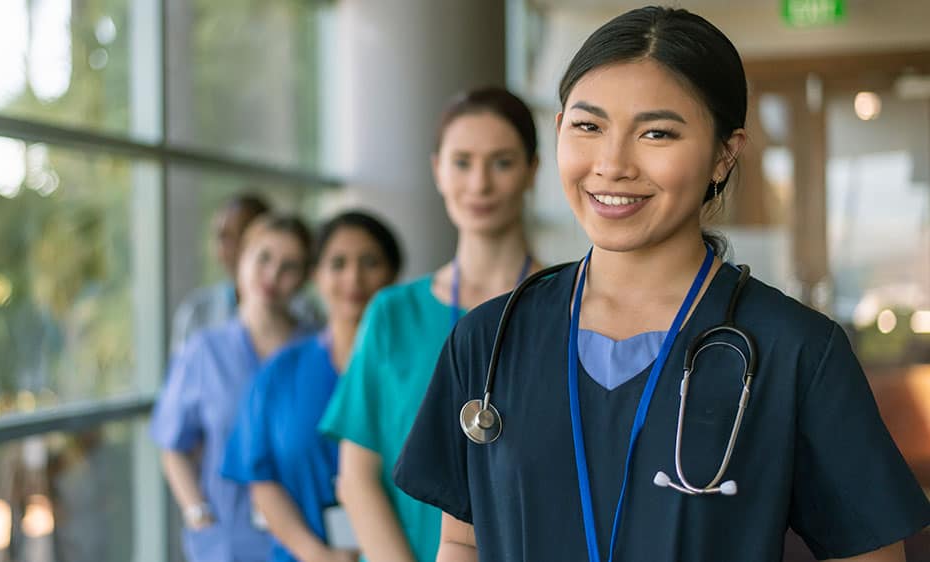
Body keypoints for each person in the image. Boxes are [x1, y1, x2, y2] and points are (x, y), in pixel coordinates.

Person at [393, 7, 930, 562]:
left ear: (724, 153)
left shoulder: (796, 351)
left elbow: (869, 553)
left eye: (656, 133)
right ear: (558, 131)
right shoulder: (489, 339)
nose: (612, 164)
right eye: (588, 125)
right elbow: (463, 538)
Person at [318, 87, 542, 562]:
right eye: (462, 162)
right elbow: (356, 477)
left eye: (501, 162)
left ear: (532, 171)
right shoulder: (391, 314)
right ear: (438, 169)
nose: (479, 184)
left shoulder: (568, 308)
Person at [221, 210, 404, 562]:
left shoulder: (415, 373)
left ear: (393, 275)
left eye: (370, 262)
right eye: (337, 263)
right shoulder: (280, 372)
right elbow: (262, 481)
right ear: (315, 275)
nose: (353, 277)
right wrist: (318, 555)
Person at [150, 214, 313, 562]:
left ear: (303, 278)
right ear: (242, 258)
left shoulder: (317, 351)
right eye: (264, 258)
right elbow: (172, 446)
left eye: (289, 267)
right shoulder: (204, 351)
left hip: (305, 537)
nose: (272, 276)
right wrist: (199, 515)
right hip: (226, 538)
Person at [170, 193, 270, 355]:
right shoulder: (198, 312)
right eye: (222, 237)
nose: (224, 249)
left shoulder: (303, 316)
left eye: (237, 236)